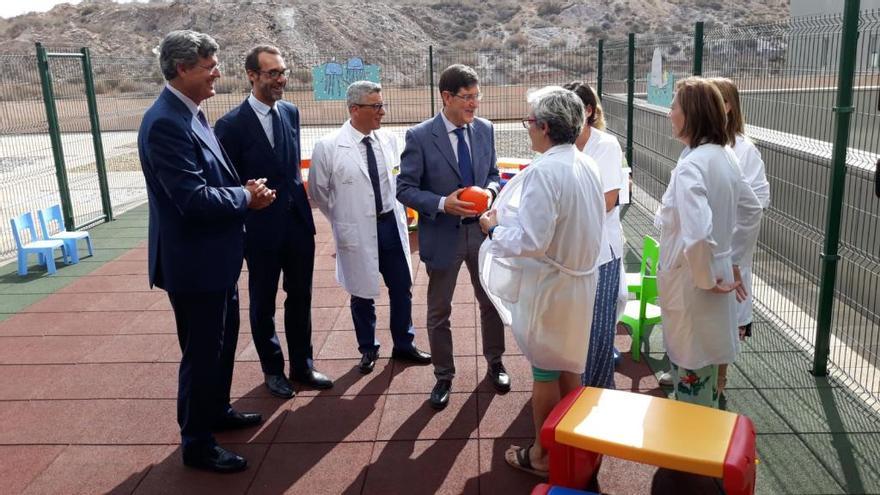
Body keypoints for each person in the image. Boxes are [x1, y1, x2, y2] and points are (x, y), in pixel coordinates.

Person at [138, 30, 275, 473]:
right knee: (201, 353)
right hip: (194, 264)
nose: (217, 72)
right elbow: (192, 198)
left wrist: (241, 190)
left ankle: (216, 412)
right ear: (182, 69)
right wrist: (245, 198)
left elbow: (213, 180)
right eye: (209, 65)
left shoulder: (192, 113)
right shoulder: (165, 123)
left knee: (221, 344)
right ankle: (197, 443)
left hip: (216, 257)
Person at [478, 86, 605, 476]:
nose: (528, 128)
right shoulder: (584, 163)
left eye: (529, 122)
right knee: (570, 367)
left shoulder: (546, 171)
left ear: (545, 127)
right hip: (579, 283)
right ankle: (574, 446)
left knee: (545, 371)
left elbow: (532, 241)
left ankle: (543, 456)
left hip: (551, 288)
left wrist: (492, 229)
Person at [216, 45, 332, 399]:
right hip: (260, 229)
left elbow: (291, 170)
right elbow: (228, 182)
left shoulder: (291, 113)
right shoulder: (230, 126)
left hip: (297, 224)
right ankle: (273, 369)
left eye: (282, 72)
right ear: (252, 75)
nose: (281, 79)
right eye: (272, 73)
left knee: (300, 296)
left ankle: (302, 364)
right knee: (262, 301)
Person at [396, 64, 508, 410]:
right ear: (446, 97)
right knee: (439, 310)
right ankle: (443, 375)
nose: (474, 104)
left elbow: (492, 173)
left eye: (477, 96)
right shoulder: (419, 136)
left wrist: (489, 192)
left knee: (490, 302)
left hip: (481, 234)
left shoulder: (485, 129)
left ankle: (495, 362)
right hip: (442, 236)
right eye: (467, 97)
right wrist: (444, 203)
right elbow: (405, 188)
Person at [309, 81, 431, 374]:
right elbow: (319, 192)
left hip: (390, 224)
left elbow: (397, 181)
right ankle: (368, 348)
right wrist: (344, 218)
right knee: (361, 293)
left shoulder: (388, 140)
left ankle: (404, 343)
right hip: (357, 230)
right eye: (376, 106)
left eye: (382, 104)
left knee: (401, 288)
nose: (383, 111)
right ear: (355, 109)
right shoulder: (328, 146)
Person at [657, 77, 763, 408]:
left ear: (691, 114)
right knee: (701, 365)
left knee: (692, 369)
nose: (669, 113)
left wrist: (706, 278)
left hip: (695, 284)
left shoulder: (693, 165)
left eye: (674, 106)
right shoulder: (724, 156)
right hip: (712, 276)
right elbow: (752, 210)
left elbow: (698, 233)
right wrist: (732, 258)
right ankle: (698, 441)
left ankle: (691, 452)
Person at [710, 77, 770, 397]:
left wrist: (732, 254)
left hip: (728, 248)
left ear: (728, 107)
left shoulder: (745, 151)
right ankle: (693, 373)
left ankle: (718, 381)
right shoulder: (701, 146)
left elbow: (757, 203)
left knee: (725, 317)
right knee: (701, 314)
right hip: (705, 247)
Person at [565, 81, 626, 389]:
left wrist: (561, 216)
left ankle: (600, 394)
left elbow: (607, 201)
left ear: (587, 111)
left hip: (601, 253)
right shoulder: (561, 146)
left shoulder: (605, 146)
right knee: (573, 328)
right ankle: (574, 395)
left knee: (599, 330)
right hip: (570, 254)